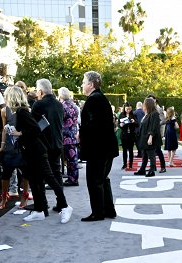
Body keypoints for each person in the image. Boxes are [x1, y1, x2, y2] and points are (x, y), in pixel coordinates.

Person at [7, 85, 73, 224]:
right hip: (33, 151)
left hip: (37, 151)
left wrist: (20, 133)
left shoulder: (22, 112)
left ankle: (65, 206)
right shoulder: (22, 111)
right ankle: (39, 210)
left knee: (49, 178)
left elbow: (35, 129)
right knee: (35, 180)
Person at [78, 71, 118, 221]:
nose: (82, 85)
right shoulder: (101, 98)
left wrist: (82, 132)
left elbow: (94, 126)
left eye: (83, 82)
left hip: (98, 149)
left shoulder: (93, 100)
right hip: (106, 147)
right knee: (102, 179)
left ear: (91, 84)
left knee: (94, 180)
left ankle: (98, 212)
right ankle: (108, 210)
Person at [32, 78, 69, 214]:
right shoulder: (59, 105)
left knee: (41, 175)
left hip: (44, 145)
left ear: (40, 91)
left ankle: (43, 205)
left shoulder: (38, 105)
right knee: (56, 173)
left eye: (37, 90)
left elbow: (34, 127)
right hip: (58, 143)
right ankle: (61, 203)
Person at [0, 86, 30, 209]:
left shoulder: (25, 110)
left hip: (22, 145)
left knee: (26, 172)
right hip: (10, 145)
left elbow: (30, 128)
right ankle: (4, 197)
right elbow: (4, 129)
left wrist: (20, 134)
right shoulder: (4, 110)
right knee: (6, 173)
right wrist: (2, 145)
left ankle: (25, 196)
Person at [133, 97, 161, 177]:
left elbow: (154, 126)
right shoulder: (147, 114)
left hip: (149, 138)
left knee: (151, 155)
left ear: (148, 105)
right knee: (144, 154)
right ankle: (142, 169)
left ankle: (152, 170)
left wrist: (151, 136)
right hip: (144, 137)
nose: (143, 106)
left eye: (144, 104)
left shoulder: (154, 114)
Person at [58, 87, 80, 186]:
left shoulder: (62, 106)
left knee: (68, 158)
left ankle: (72, 180)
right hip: (74, 133)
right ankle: (73, 177)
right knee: (73, 158)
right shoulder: (74, 106)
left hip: (65, 134)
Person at [118, 102, 137, 170]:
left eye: (129, 109)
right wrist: (121, 125)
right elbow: (118, 124)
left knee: (131, 150)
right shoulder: (121, 115)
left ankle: (131, 164)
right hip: (124, 135)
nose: (128, 110)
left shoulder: (133, 115)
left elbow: (137, 124)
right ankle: (124, 164)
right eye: (127, 109)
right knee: (124, 150)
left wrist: (133, 121)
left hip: (131, 135)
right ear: (124, 108)